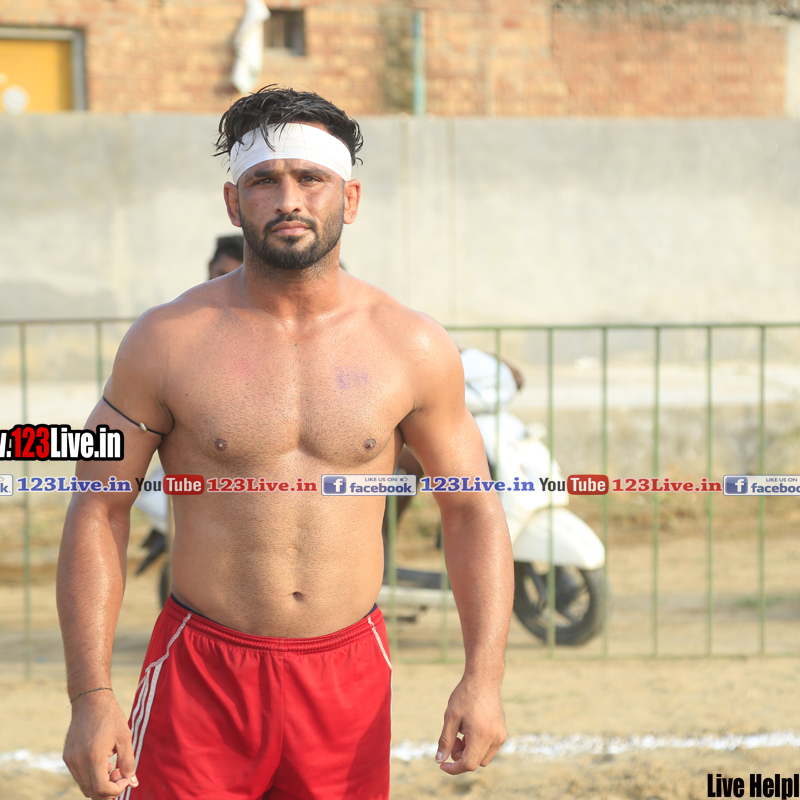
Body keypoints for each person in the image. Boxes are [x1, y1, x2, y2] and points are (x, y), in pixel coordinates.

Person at [57, 86, 513, 800]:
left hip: (348, 672)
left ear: (350, 199)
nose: (289, 200)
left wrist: (483, 678)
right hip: (202, 670)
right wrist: (89, 696)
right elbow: (97, 506)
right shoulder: (165, 341)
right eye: (265, 181)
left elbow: (473, 509)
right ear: (233, 202)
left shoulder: (413, 346)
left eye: (311, 178)